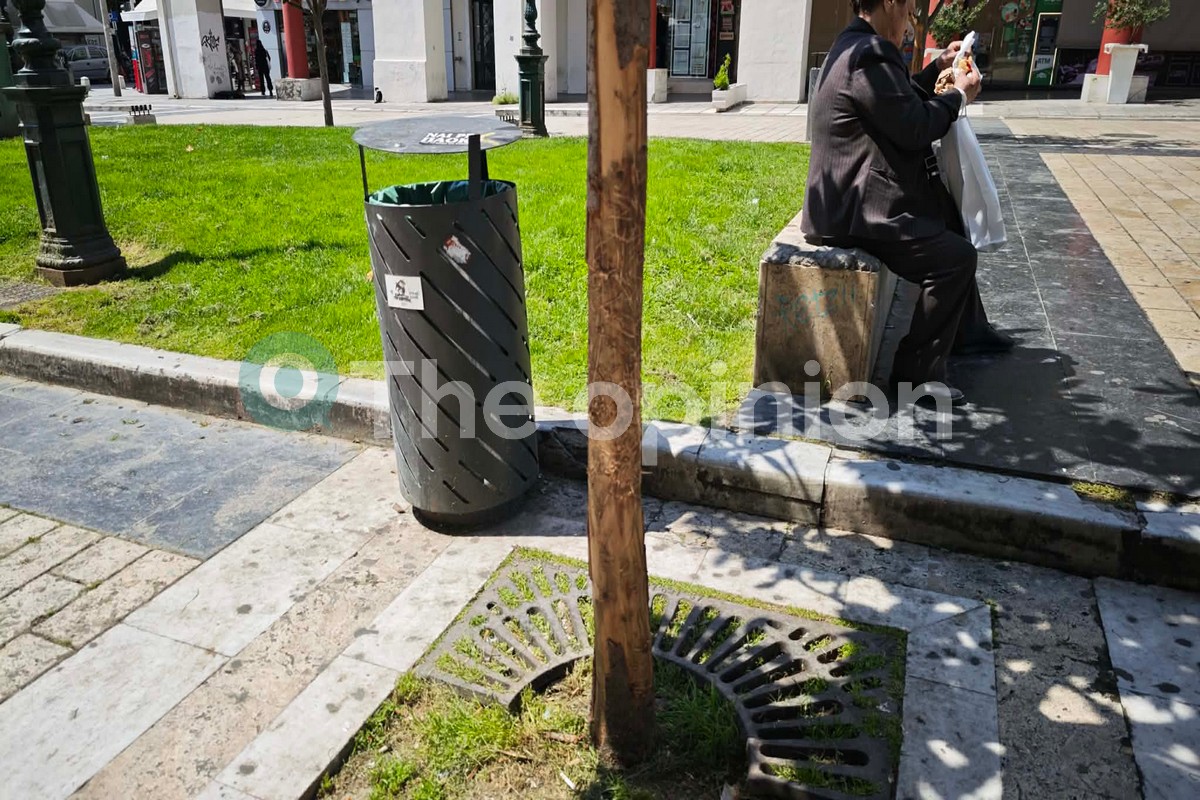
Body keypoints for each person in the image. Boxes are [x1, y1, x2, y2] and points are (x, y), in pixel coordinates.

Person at [801, 0, 1013, 406]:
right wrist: (958, 97)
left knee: (948, 215)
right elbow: (915, 127)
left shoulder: (856, 46)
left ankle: (968, 331)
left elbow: (897, 102)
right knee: (955, 257)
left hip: (847, 197)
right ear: (891, 4)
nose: (911, 22)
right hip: (856, 207)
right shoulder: (871, 53)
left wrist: (937, 68)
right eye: (910, 11)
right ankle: (914, 377)